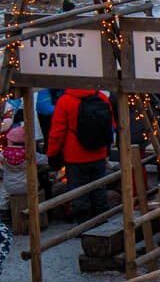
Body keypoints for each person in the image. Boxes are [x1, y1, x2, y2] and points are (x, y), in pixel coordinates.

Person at [46, 84, 116, 218]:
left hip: (75, 155)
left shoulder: (65, 101)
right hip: (99, 152)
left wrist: (52, 154)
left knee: (78, 194)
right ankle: (103, 224)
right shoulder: (101, 96)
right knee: (99, 190)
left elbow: (56, 133)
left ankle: (84, 227)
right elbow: (111, 125)